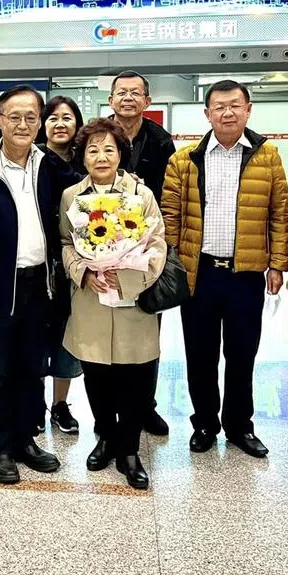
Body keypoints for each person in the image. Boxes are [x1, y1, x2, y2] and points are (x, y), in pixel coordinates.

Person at [161, 79, 288, 458]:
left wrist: (277, 265)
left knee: (241, 353)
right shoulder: (185, 159)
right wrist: (172, 262)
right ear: (207, 114)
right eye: (219, 106)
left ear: (248, 109)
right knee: (199, 354)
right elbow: (170, 215)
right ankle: (204, 423)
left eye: (235, 105)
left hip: (246, 273)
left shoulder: (267, 157)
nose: (228, 113)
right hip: (198, 273)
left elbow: (279, 214)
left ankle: (239, 425)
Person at [0, 85, 67, 484]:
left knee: (30, 367)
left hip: (40, 284)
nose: (23, 124)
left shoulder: (50, 165)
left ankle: (25, 439)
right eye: (14, 116)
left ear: (39, 123)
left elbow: (87, 188)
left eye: (31, 117)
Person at [60, 118, 167, 490]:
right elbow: (65, 244)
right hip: (91, 300)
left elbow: (157, 244)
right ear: (83, 157)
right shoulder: (72, 196)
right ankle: (105, 437)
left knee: (134, 378)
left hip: (132, 298)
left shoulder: (141, 194)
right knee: (97, 376)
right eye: (93, 150)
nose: (101, 156)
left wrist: (129, 276)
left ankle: (130, 450)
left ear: (121, 153)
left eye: (109, 149)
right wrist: (84, 273)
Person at [107, 70, 176, 436]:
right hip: (100, 254)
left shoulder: (162, 143)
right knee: (107, 335)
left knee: (147, 333)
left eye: (136, 93)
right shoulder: (99, 138)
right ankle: (110, 413)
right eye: (122, 92)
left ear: (147, 101)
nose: (128, 98)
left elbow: (170, 197)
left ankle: (145, 407)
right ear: (111, 100)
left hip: (146, 254)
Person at [39, 96, 85, 434]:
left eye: (67, 117)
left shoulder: (87, 163)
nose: (59, 123)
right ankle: (32, 403)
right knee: (36, 334)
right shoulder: (33, 160)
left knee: (69, 334)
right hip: (38, 262)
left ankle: (60, 404)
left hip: (76, 262)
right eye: (52, 117)